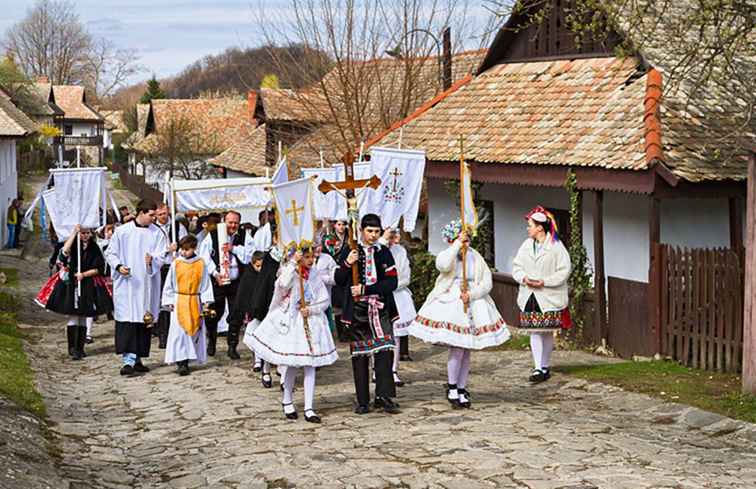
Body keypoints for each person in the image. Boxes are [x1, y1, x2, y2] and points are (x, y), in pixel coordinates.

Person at [409, 220, 510, 408]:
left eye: (467, 239)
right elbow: (443, 266)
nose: (466, 242)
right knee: (457, 347)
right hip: (452, 301)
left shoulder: (476, 257)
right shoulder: (449, 254)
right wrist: (457, 245)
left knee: (466, 349)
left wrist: (472, 294)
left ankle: (462, 387)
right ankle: (453, 386)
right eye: (462, 238)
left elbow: (487, 282)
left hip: (472, 299)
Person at [246, 244, 338, 423]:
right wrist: (292, 265)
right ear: (299, 257)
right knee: (292, 363)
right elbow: (282, 284)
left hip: (311, 321)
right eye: (307, 257)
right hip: (292, 321)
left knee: (310, 365)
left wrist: (311, 309)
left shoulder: (314, 274)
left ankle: (309, 407)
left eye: (313, 257)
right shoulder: (290, 271)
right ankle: (287, 400)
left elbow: (324, 299)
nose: (311, 261)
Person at [334, 214, 400, 415]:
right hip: (357, 312)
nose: (373, 235)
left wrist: (366, 289)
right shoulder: (350, 249)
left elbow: (392, 282)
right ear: (361, 230)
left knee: (384, 352)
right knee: (361, 356)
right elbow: (338, 279)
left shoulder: (384, 253)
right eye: (369, 231)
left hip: (380, 309)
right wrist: (347, 263)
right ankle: (363, 400)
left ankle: (384, 396)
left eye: (376, 232)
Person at [105, 199, 171, 377]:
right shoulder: (122, 231)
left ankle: (139, 359)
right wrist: (118, 266)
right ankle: (128, 361)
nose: (154, 218)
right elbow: (110, 252)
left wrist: (153, 261)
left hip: (147, 284)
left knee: (143, 321)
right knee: (128, 321)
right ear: (141, 212)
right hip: (127, 284)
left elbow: (162, 255)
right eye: (151, 215)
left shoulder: (157, 233)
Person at [512, 206, 572, 384]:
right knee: (534, 331)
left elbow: (564, 271)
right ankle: (538, 367)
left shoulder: (556, 247)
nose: (528, 228)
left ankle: (544, 365)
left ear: (540, 227)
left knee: (545, 331)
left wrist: (544, 281)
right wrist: (524, 278)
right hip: (530, 294)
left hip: (548, 295)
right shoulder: (526, 246)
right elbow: (517, 266)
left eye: (530, 225)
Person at [42, 225, 112, 360]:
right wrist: (74, 233)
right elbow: (63, 254)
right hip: (72, 284)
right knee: (74, 314)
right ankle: (72, 347)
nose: (85, 236)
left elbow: (100, 267)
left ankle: (80, 347)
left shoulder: (94, 248)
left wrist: (84, 274)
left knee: (84, 314)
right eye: (83, 233)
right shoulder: (73, 246)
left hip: (87, 284)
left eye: (87, 233)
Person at [198, 210, 254, 359]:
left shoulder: (244, 236)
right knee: (215, 312)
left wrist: (233, 249)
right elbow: (204, 256)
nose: (233, 225)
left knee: (237, 312)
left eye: (236, 222)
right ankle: (212, 340)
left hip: (237, 281)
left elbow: (250, 255)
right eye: (230, 222)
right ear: (224, 221)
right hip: (219, 280)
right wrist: (215, 274)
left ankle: (232, 346)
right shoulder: (213, 235)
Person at [162, 235, 214, 376]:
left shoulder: (200, 263)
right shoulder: (176, 263)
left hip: (194, 300)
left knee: (193, 331)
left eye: (186, 250)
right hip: (180, 300)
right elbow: (169, 283)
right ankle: (181, 362)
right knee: (179, 333)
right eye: (182, 249)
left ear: (194, 248)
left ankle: (190, 357)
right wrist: (169, 300)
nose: (183, 252)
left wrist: (206, 301)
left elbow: (205, 283)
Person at [243, 233, 282, 388]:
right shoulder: (270, 257)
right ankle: (266, 369)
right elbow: (264, 282)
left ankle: (284, 373)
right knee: (268, 338)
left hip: (288, 303)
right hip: (270, 302)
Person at [380, 228, 415, 387]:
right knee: (379, 333)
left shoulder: (400, 251)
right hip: (378, 295)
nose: (394, 237)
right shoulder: (376, 248)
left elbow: (406, 276)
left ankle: (393, 370)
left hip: (397, 294)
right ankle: (377, 369)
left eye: (396, 234)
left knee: (396, 334)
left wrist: (392, 286)